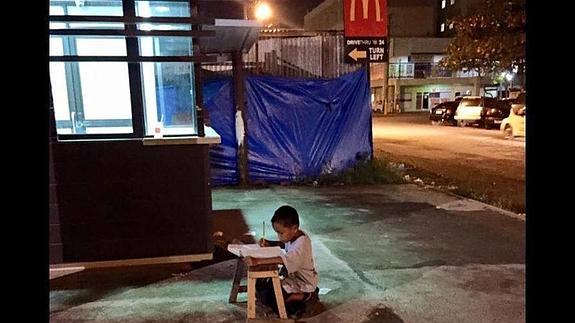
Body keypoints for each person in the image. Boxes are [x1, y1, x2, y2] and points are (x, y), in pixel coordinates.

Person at [244, 205, 319, 317]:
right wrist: (269, 243)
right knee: (261, 285)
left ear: (294, 228)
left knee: (276, 300)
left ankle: (307, 296)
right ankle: (294, 298)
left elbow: (282, 259)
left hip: (304, 283)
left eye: (281, 233)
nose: (279, 236)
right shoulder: (294, 235)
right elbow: (284, 244)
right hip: (292, 279)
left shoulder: (302, 245)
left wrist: (257, 261)